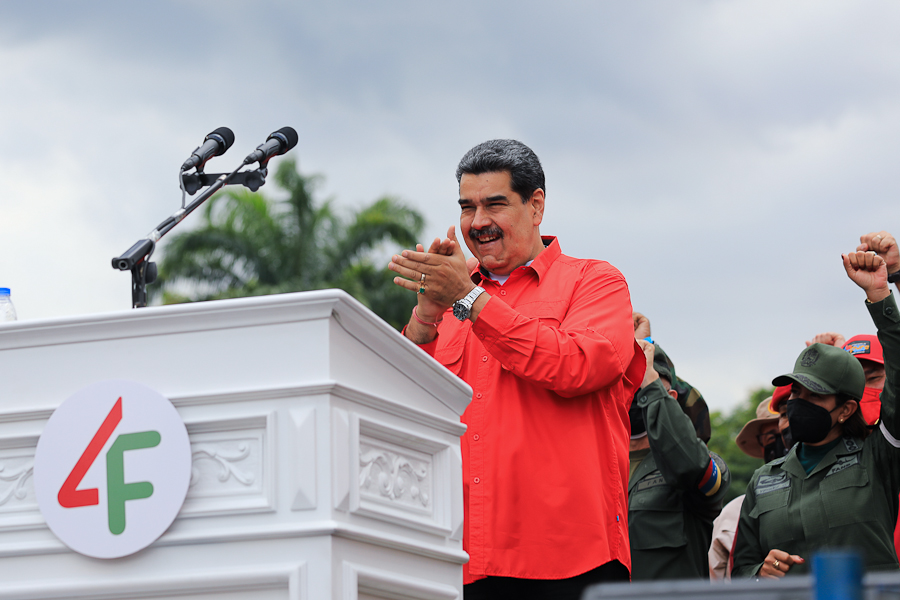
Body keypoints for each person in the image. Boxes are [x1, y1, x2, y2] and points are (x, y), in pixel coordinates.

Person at [389, 140, 644, 598]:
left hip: (569, 561)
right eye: (467, 208)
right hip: (457, 559)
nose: (478, 222)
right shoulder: (448, 305)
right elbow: (401, 410)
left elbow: (577, 366)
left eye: (495, 204)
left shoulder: (596, 281)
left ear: (537, 205)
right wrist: (427, 314)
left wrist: (469, 300)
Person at [732, 248, 900, 577]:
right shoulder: (763, 480)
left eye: (815, 395)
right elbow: (741, 572)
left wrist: (880, 297)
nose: (799, 402)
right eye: (796, 391)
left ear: (845, 410)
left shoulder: (877, 459)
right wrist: (759, 573)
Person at [628, 340, 730, 580]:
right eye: (627, 383)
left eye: (642, 384)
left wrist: (650, 385)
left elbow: (691, 466)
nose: (635, 393)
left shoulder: (706, 462)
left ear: (671, 398)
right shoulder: (595, 466)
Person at [709, 393, 784, 580]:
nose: (782, 443)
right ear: (761, 447)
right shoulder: (733, 513)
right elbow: (715, 582)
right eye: (770, 438)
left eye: (786, 433)